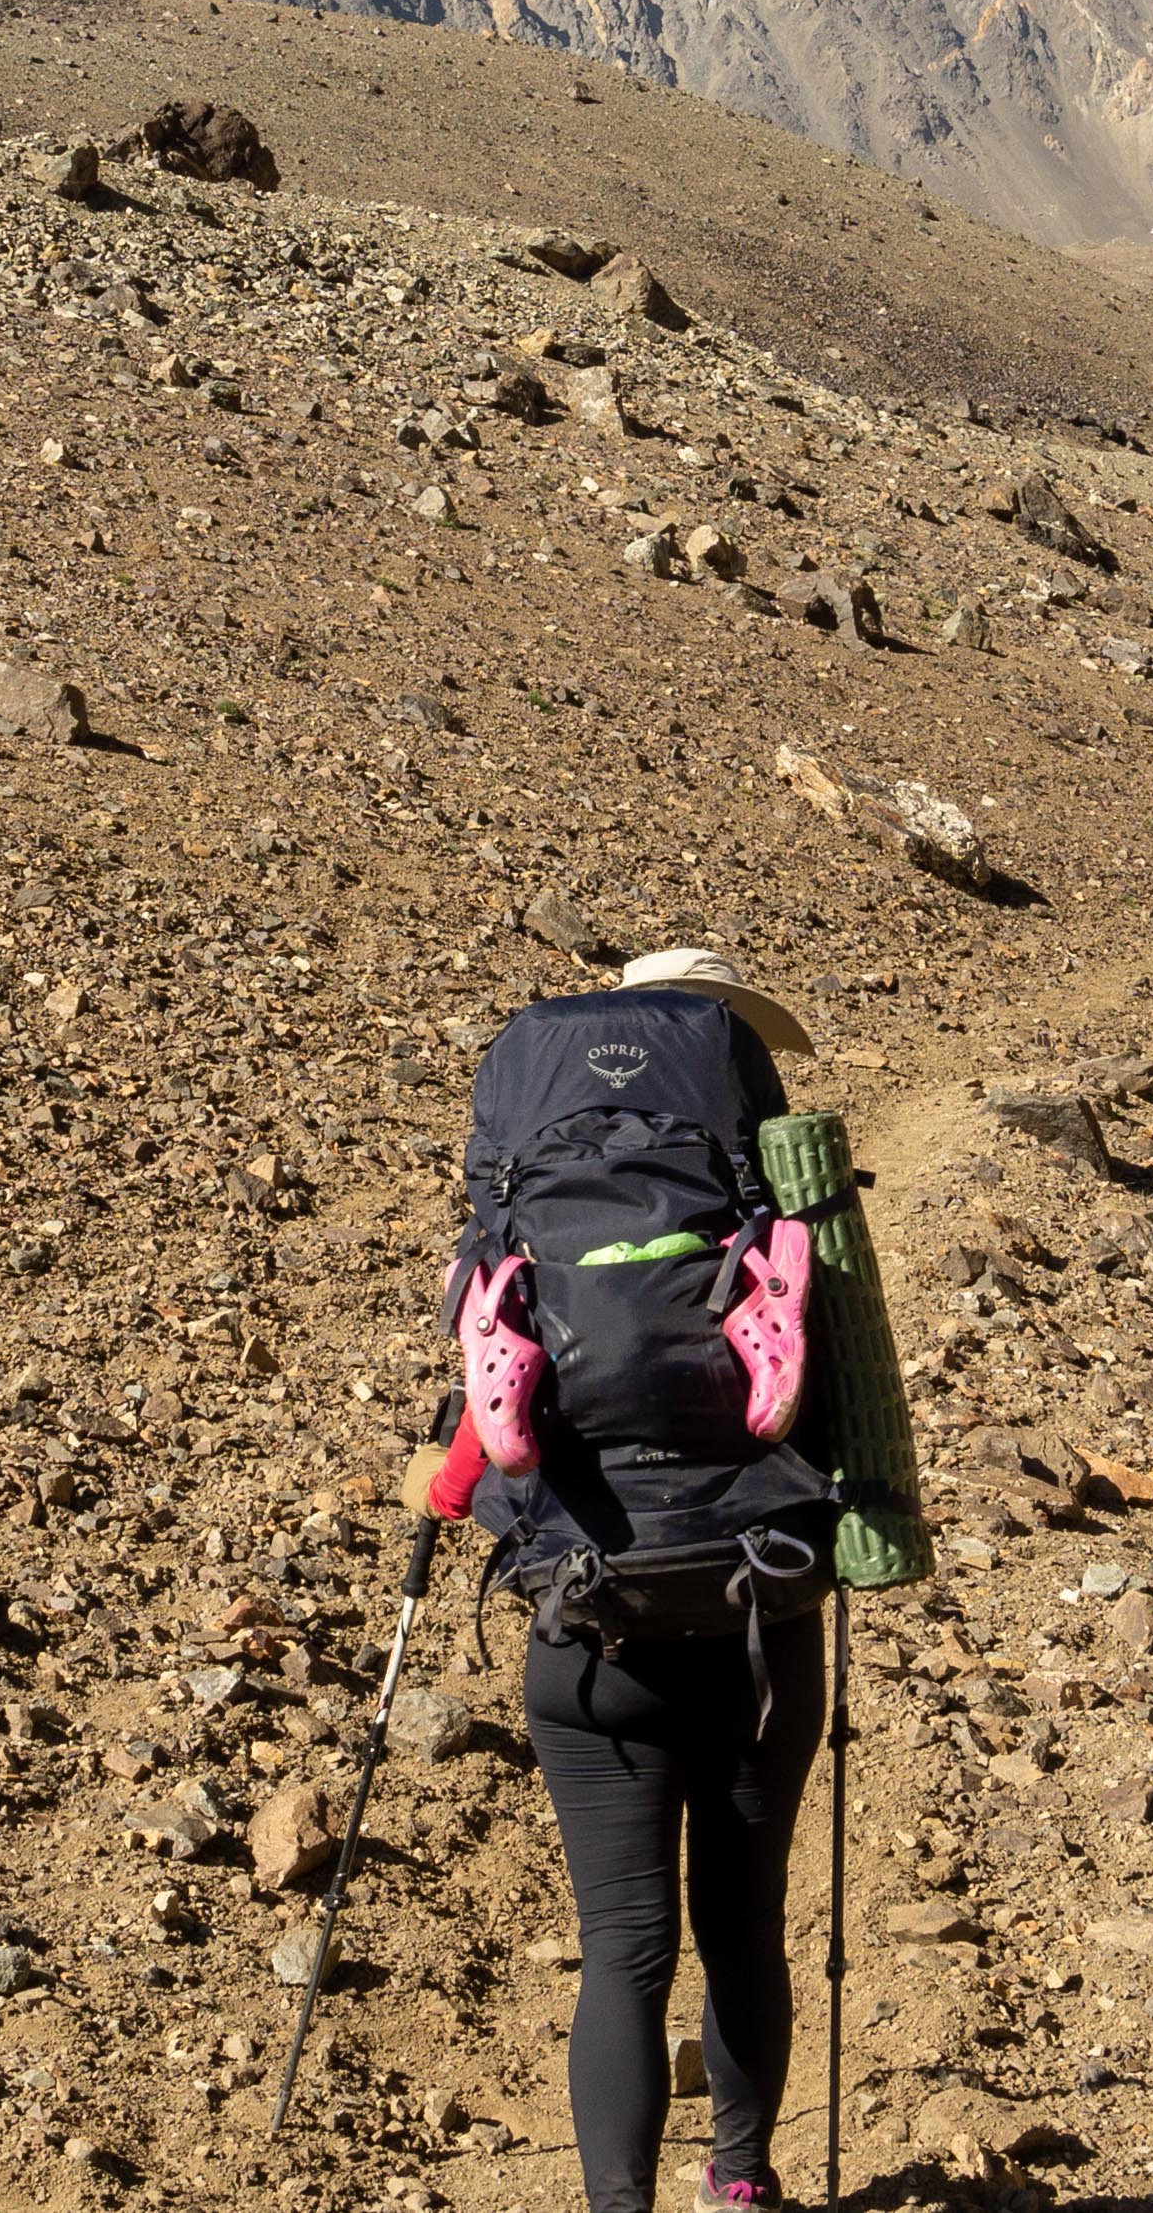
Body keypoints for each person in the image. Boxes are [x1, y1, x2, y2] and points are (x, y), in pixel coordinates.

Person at [402, 946, 922, 2213]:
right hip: (753, 1622)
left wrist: (445, 1486)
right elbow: (854, 1432)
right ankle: (737, 2185)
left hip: (589, 1631)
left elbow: (462, 1478)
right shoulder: (784, 1215)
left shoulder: (542, 1219)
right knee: (742, 1933)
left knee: (623, 1954)